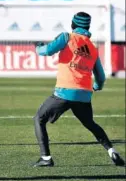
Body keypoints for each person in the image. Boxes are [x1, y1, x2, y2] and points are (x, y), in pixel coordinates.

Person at [32, 12, 125, 167]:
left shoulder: (66, 37)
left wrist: (38, 47)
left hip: (64, 91)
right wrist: (96, 86)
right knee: (90, 124)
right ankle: (111, 150)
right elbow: (100, 77)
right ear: (88, 27)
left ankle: (46, 158)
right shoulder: (92, 48)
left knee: (39, 119)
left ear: (73, 24)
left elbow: (47, 51)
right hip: (84, 94)